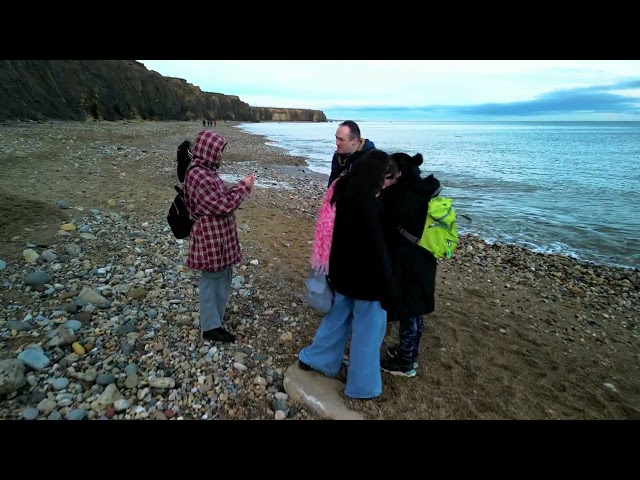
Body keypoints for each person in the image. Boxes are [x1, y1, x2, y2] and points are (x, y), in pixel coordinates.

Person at [299, 149, 399, 399]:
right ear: (377, 176)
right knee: (368, 333)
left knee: (336, 320)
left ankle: (317, 359)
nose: (388, 182)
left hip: (342, 274)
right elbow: (378, 252)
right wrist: (388, 285)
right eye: (387, 177)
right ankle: (362, 387)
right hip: (367, 282)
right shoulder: (370, 205)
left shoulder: (343, 191)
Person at [183, 130, 255, 343]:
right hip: (209, 236)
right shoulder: (199, 174)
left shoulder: (206, 169)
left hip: (218, 235)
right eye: (218, 151)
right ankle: (210, 327)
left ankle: (216, 318)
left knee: (223, 275)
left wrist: (238, 188)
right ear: (208, 150)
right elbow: (224, 205)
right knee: (212, 278)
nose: (220, 156)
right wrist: (243, 186)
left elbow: (220, 200)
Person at [378, 152, 441, 377]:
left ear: (400, 173)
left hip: (407, 260)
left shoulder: (398, 195)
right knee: (416, 311)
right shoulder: (425, 190)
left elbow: (383, 226)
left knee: (408, 311)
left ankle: (406, 362)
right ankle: (409, 352)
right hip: (425, 256)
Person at [327, 120, 376, 187]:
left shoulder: (371, 158)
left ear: (354, 141)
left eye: (341, 140)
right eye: (336, 138)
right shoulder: (338, 156)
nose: (337, 143)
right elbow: (332, 181)